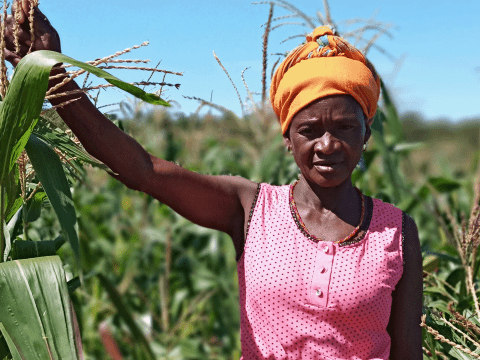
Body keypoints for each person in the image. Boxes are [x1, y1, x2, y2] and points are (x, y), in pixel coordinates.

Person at [4, 2, 423, 359]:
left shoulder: (397, 231)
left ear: (367, 133)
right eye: (310, 130)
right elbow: (143, 171)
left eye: (346, 128)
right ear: (287, 138)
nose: (328, 145)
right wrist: (55, 76)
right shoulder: (251, 209)